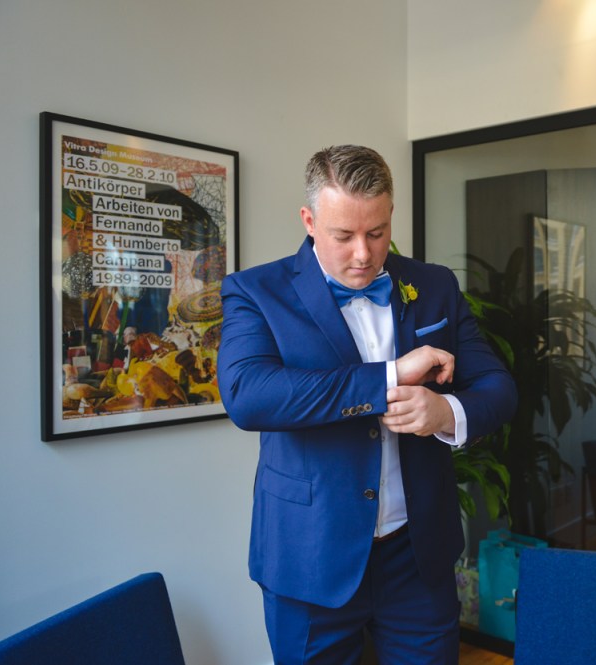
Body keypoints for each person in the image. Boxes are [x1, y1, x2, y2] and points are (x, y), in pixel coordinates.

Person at [217, 145, 517, 664]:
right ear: (310, 221)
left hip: (416, 557)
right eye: (344, 236)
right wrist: (389, 378)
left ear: (390, 214)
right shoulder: (256, 291)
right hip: (310, 559)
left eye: (376, 232)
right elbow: (248, 394)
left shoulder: (433, 285)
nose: (363, 253)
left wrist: (445, 413)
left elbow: (497, 385)